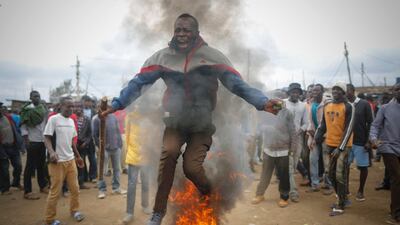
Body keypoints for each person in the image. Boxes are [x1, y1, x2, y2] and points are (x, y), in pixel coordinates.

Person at [101, 13, 281, 225]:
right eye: (178, 30)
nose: (182, 34)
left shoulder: (212, 56)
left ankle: (208, 191)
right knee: (168, 154)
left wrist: (262, 102)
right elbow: (138, 83)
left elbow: (237, 84)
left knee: (192, 168)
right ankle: (158, 212)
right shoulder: (162, 58)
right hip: (174, 123)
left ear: (196, 33)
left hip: (201, 127)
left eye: (186, 30)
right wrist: (116, 104)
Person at [43, 97, 85, 225]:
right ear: (61, 106)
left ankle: (75, 211)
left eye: (72, 106)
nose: (71, 109)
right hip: (57, 162)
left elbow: (72, 142)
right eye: (68, 106)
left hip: (70, 159)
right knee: (55, 191)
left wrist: (78, 156)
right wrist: (51, 152)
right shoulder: (53, 119)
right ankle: (50, 219)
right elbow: (46, 138)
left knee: (75, 189)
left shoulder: (72, 121)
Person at [315, 82, 354, 216]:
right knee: (329, 173)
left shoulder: (349, 106)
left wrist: (340, 147)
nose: (335, 92)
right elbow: (322, 125)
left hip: (343, 146)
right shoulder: (327, 105)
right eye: (334, 89)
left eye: (339, 90)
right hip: (329, 144)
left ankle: (341, 204)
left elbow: (349, 129)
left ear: (343, 93)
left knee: (339, 174)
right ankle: (342, 197)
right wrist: (317, 138)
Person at [251, 106, 296, 208]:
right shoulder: (266, 113)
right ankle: (260, 194)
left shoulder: (287, 113)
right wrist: (266, 128)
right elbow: (260, 126)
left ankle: (284, 197)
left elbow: (293, 131)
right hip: (268, 149)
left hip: (283, 150)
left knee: (284, 175)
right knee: (265, 174)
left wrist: (292, 148)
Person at [369, 82, 400, 224]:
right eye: (397, 89)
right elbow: (375, 126)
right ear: (393, 92)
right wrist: (374, 139)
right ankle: (395, 213)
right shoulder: (385, 108)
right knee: (397, 177)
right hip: (388, 147)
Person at [122, 109, 152, 224]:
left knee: (145, 183)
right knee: (132, 185)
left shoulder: (149, 116)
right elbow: (127, 136)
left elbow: (151, 136)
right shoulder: (130, 116)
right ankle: (129, 213)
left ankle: (145, 205)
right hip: (133, 156)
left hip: (146, 156)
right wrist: (129, 153)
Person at [92, 103, 126, 199]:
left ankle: (117, 188)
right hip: (104, 149)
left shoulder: (113, 117)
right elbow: (94, 135)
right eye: (104, 107)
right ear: (100, 108)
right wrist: (100, 147)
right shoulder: (96, 119)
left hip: (116, 147)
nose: (106, 108)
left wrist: (120, 144)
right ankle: (101, 190)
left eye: (107, 107)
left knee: (117, 169)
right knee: (102, 170)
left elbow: (117, 131)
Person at [346, 84, 373, 201]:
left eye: (347, 91)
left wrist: (368, 141)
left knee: (363, 167)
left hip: (360, 141)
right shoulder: (344, 105)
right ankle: (345, 189)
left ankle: (361, 190)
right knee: (345, 166)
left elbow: (371, 123)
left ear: (353, 91)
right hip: (346, 142)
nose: (345, 93)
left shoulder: (364, 104)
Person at [20, 90, 49, 200]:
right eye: (35, 96)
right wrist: (26, 139)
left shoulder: (43, 109)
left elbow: (45, 124)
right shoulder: (27, 110)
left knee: (41, 165)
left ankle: (43, 186)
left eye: (38, 96)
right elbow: (23, 126)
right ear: (31, 98)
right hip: (32, 141)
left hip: (42, 141)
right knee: (30, 166)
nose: (37, 98)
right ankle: (27, 191)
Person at [284, 83, 308, 202]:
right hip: (284, 139)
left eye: (297, 92)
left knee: (293, 165)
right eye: (293, 92)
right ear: (289, 93)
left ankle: (287, 185)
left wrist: (301, 130)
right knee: (288, 166)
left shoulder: (303, 106)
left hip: (297, 139)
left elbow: (306, 123)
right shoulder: (283, 103)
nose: (295, 94)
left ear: (300, 94)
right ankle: (293, 192)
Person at [306, 84, 332, 193]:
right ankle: (315, 184)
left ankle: (329, 184)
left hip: (325, 136)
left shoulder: (328, 104)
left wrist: (322, 135)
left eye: (317, 90)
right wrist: (310, 131)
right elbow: (310, 121)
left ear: (322, 91)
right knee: (313, 160)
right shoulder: (311, 103)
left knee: (327, 162)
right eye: (313, 91)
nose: (314, 92)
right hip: (314, 137)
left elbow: (330, 122)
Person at [0, 101, 23, 194]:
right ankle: (4, 188)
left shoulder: (8, 118)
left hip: (13, 147)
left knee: (18, 166)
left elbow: (16, 131)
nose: (1, 109)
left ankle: (16, 183)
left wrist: (20, 144)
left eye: (2, 107)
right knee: (4, 170)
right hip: (2, 149)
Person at [74, 103, 92, 189]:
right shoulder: (71, 119)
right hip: (73, 144)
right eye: (77, 107)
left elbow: (89, 134)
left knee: (81, 163)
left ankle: (81, 183)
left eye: (80, 107)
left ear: (82, 109)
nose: (78, 109)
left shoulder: (87, 119)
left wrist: (86, 142)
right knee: (72, 164)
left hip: (82, 145)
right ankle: (72, 183)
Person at [81, 95, 97, 182]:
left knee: (92, 157)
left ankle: (93, 176)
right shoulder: (79, 111)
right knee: (82, 158)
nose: (88, 103)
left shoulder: (94, 112)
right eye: (86, 101)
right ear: (83, 102)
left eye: (89, 101)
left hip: (91, 138)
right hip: (82, 139)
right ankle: (84, 177)